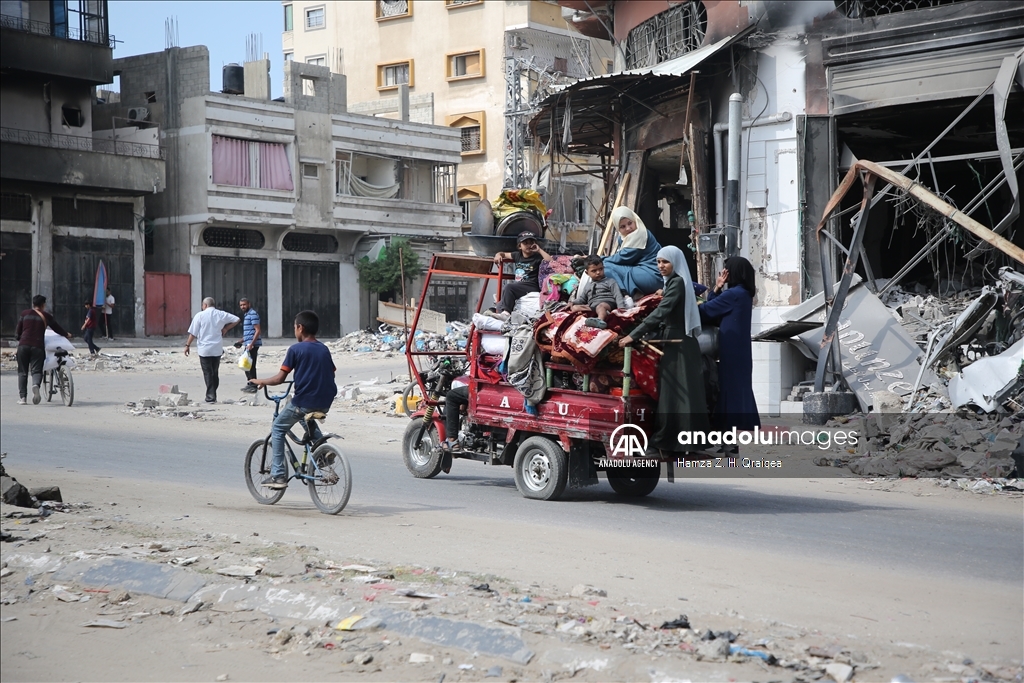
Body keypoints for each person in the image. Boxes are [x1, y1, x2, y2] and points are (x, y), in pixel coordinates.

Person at [618, 246, 710, 453]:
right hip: (675, 340)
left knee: (677, 392)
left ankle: (669, 441)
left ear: (675, 263)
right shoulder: (673, 283)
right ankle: (682, 441)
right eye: (658, 262)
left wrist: (633, 335)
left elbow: (661, 312)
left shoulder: (676, 283)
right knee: (679, 392)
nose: (661, 266)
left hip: (679, 342)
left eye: (665, 262)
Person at [250, 310, 338, 489]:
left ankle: (278, 475)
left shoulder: (295, 349)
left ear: (300, 328)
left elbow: (279, 379)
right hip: (326, 400)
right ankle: (323, 452)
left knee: (278, 427)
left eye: (294, 328)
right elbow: (330, 371)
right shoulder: (324, 348)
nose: (294, 331)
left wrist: (261, 381)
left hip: (304, 401)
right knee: (306, 418)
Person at [699, 256, 760, 442]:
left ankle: (727, 441)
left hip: (731, 349)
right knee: (734, 390)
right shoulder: (744, 294)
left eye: (726, 270)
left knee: (727, 390)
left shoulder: (733, 294)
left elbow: (705, 312)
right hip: (740, 349)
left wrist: (716, 289)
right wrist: (717, 287)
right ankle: (729, 443)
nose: (724, 274)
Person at [15, 295, 72, 405]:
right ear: (43, 305)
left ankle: (23, 398)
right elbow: (57, 328)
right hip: (37, 346)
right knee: (36, 370)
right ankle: (36, 385)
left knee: (22, 372)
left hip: (23, 345)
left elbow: (18, 330)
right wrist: (66, 334)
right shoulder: (46, 316)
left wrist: (19, 338)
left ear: (33, 304)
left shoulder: (24, 314)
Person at [184, 297, 240, 403]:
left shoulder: (200, 315)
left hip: (204, 349)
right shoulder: (221, 314)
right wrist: (226, 328)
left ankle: (211, 396)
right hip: (217, 348)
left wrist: (187, 345)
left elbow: (193, 333)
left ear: (205, 305)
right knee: (214, 372)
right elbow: (237, 319)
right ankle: (212, 392)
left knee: (208, 373)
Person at [602, 207, 663, 297]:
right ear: (618, 229)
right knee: (606, 266)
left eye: (630, 223)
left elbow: (622, 258)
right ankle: (634, 292)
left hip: (653, 276)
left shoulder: (640, 234)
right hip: (643, 273)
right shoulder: (623, 238)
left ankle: (626, 295)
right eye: (622, 227)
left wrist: (600, 259)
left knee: (604, 266)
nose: (628, 228)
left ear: (635, 220)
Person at [492, 232, 552, 315]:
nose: (528, 245)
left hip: (531, 285)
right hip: (519, 286)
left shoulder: (537, 257)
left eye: (531, 242)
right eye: (525, 243)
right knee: (500, 305)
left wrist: (539, 250)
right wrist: (498, 255)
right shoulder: (517, 255)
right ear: (520, 246)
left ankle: (506, 313)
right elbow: (503, 253)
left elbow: (550, 261)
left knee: (509, 287)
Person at [571, 255, 626, 329]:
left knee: (601, 306)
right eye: (594, 271)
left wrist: (621, 308)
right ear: (587, 273)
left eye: (600, 269)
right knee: (575, 308)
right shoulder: (588, 285)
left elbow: (617, 295)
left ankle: (600, 321)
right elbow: (582, 299)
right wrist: (572, 302)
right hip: (592, 306)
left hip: (607, 303)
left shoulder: (610, 281)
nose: (598, 272)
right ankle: (601, 315)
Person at [237, 297, 262, 393]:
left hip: (252, 345)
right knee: (246, 365)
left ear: (249, 304)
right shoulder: (247, 315)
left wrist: (252, 344)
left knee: (249, 365)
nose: (243, 306)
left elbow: (257, 330)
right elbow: (250, 333)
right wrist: (241, 341)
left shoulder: (253, 314)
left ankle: (253, 385)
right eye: (241, 305)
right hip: (248, 344)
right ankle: (250, 383)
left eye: (244, 304)